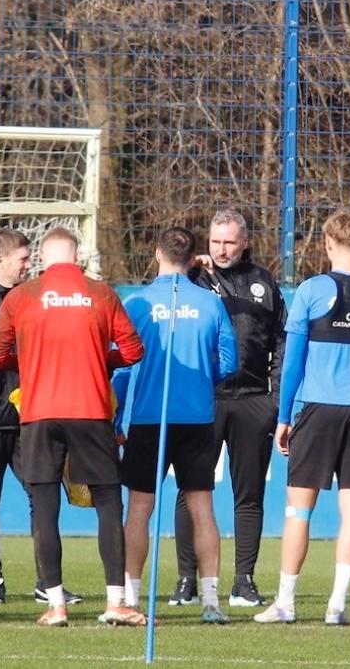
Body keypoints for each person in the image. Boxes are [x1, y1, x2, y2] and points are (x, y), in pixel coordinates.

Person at [0, 227, 145, 627]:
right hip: (90, 410)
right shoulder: (102, 293)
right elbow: (133, 350)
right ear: (77, 257)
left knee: (44, 507)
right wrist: (98, 361)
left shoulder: (22, 296)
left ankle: (55, 605)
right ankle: (116, 603)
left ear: (42, 258)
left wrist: (32, 364)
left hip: (39, 413)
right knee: (108, 502)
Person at [255, 211, 350, 625]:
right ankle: (337, 604)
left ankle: (286, 602)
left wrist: (284, 418)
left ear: (328, 243)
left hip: (317, 410)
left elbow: (293, 363)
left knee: (298, 510)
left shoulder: (312, 290)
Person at [0, 229, 82, 606]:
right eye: (23, 259)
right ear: (0, 261)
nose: (29, 265)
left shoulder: (38, 299)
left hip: (33, 420)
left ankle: (47, 582)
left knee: (42, 496)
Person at [114, 227, 237, 624]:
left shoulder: (137, 303)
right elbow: (229, 362)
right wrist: (202, 380)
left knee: (138, 509)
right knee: (202, 508)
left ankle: (130, 599)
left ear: (156, 254)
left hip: (150, 417)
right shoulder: (211, 303)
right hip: (197, 417)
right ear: (193, 259)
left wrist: (116, 418)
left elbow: (120, 366)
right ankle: (212, 602)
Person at [171, 210, 286, 607]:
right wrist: (189, 267)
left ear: (244, 241)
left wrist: (274, 399)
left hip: (253, 400)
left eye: (229, 242)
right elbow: (166, 275)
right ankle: (187, 579)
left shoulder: (263, 282)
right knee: (191, 492)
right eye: (216, 242)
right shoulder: (193, 279)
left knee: (249, 494)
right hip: (204, 401)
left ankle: (244, 581)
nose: (221, 249)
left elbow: (280, 342)